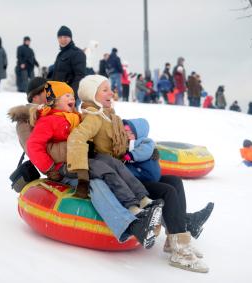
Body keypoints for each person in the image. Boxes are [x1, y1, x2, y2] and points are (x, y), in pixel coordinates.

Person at [67, 75, 211, 272]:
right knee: (167, 191)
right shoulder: (93, 117)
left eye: (110, 88)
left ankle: (174, 238)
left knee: (174, 181)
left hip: (128, 171)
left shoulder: (109, 115)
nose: (111, 92)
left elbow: (127, 142)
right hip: (119, 177)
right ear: (93, 95)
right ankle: (181, 252)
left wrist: (147, 152)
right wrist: (81, 171)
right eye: (105, 90)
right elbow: (77, 139)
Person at [8, 77, 163, 249]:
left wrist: (135, 146)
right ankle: (131, 225)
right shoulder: (29, 119)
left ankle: (144, 207)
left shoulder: (72, 115)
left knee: (109, 167)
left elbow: (95, 130)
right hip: (60, 169)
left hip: (83, 160)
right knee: (96, 182)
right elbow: (34, 147)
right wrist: (55, 163)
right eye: (45, 92)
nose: (48, 94)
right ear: (35, 97)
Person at [51, 26, 86, 104]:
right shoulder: (60, 54)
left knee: (70, 116)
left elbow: (80, 76)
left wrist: (72, 95)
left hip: (69, 97)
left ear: (70, 38)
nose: (62, 39)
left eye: (65, 37)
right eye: (60, 37)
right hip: (58, 95)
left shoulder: (77, 53)